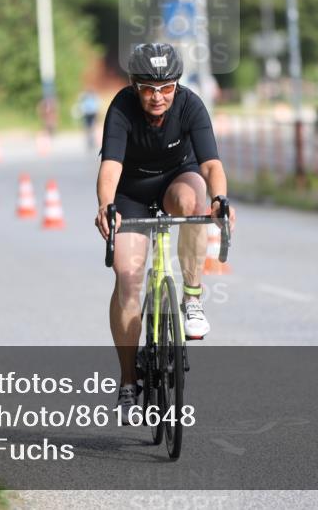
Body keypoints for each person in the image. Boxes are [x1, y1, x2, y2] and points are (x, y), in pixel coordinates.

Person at [94, 43, 236, 424]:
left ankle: (191, 298)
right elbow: (110, 169)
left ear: (176, 85)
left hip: (178, 182)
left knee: (195, 202)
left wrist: (221, 200)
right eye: (148, 88)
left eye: (166, 87)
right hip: (131, 193)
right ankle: (128, 383)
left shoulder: (191, 105)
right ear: (134, 85)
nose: (158, 97)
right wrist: (107, 206)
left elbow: (211, 164)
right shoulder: (122, 108)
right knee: (127, 278)